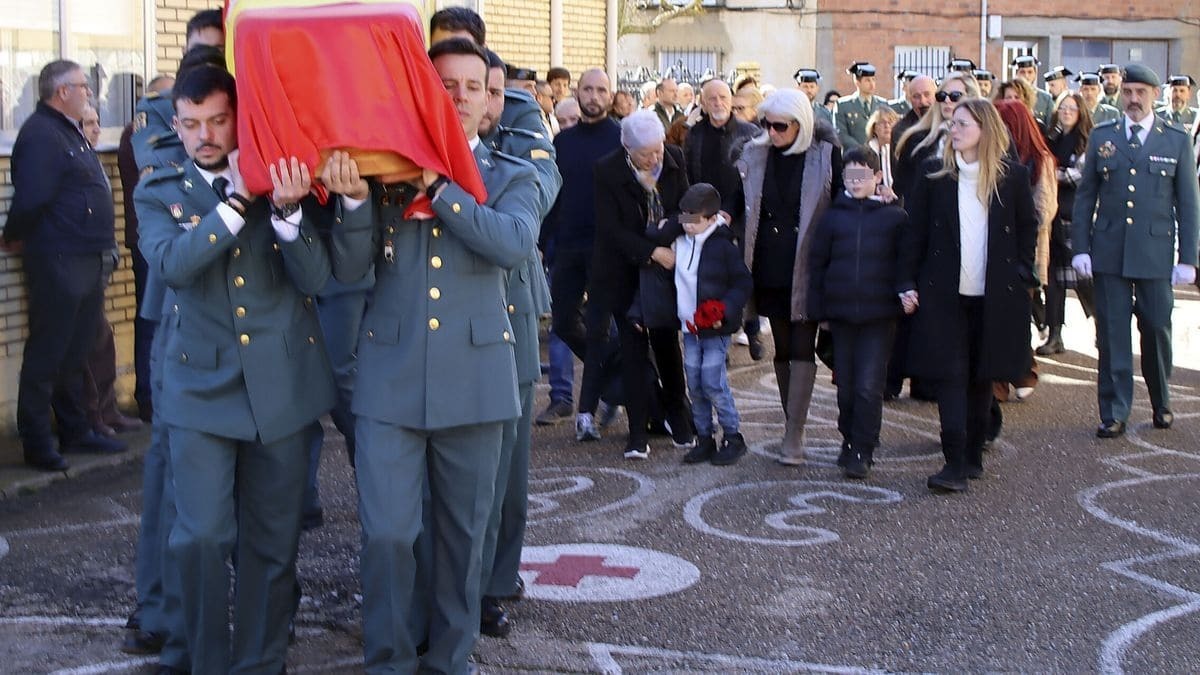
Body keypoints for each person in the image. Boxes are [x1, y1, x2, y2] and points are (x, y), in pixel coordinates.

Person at [332, 37, 539, 673]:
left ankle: (451, 659)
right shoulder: (383, 174)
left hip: (476, 382)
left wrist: (441, 186)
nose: (457, 97)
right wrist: (355, 201)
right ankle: (389, 658)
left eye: (471, 87)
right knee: (390, 533)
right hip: (390, 382)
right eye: (442, 84)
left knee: (463, 538)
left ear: (488, 102)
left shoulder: (511, 172)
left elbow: (512, 242)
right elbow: (346, 268)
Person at [134, 63, 338, 672]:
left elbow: (320, 278)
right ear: (176, 124)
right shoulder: (159, 190)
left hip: (281, 388)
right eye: (192, 123)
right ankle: (199, 655)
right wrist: (237, 201)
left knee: (271, 544)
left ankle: (260, 661)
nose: (205, 135)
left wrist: (288, 215)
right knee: (198, 537)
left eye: (219, 121)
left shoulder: (286, 180)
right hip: (200, 389)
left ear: (239, 119)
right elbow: (173, 265)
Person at [899, 98, 1038, 493]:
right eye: (952, 123)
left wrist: (1021, 273)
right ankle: (954, 461)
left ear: (985, 129)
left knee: (982, 378)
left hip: (994, 297)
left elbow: (1027, 227)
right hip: (945, 295)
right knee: (950, 376)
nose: (953, 129)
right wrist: (906, 282)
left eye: (962, 123)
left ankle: (973, 456)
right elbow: (915, 233)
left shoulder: (1011, 177)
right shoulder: (934, 174)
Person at [5, 59, 127, 472]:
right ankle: (38, 442)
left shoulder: (68, 132)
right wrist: (13, 236)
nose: (89, 93)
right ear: (62, 92)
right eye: (82, 86)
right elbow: (31, 199)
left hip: (87, 257)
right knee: (48, 353)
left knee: (76, 352)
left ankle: (76, 429)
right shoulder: (41, 134)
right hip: (59, 259)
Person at [478, 47, 561, 638]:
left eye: (489, 88)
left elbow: (542, 185)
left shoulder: (521, 115)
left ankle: (494, 578)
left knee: (507, 459)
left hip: (510, 297)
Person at [1070, 64, 1200, 438]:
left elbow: (1188, 204)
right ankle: (1114, 410)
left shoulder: (1174, 139)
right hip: (1109, 250)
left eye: (1141, 92)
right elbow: (1086, 196)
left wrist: (1188, 258)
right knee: (1112, 332)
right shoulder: (1104, 136)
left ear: (1155, 96)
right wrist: (1081, 247)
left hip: (1155, 252)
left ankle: (1161, 400)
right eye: (1128, 92)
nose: (1133, 99)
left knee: (1157, 327)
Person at [737, 89, 842, 465]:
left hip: (809, 265)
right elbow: (739, 204)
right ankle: (790, 424)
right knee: (783, 346)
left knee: (802, 345)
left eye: (781, 125)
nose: (773, 131)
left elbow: (841, 205)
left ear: (801, 124)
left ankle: (794, 435)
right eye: (767, 123)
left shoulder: (825, 155)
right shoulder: (754, 153)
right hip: (768, 264)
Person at [593, 109, 695, 458]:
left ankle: (679, 421)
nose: (656, 159)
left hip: (664, 273)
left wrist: (672, 235)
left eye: (659, 150)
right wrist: (652, 251)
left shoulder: (674, 159)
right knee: (633, 352)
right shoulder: (607, 170)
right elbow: (610, 230)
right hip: (626, 270)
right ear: (627, 148)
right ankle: (637, 434)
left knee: (668, 346)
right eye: (646, 154)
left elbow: (684, 207)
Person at [808, 146, 907, 479]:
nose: (855, 182)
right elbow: (817, 264)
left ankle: (864, 447)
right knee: (846, 385)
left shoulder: (894, 217)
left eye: (863, 175)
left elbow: (904, 262)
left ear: (877, 177)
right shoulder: (834, 217)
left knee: (868, 385)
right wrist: (818, 307)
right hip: (841, 315)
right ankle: (848, 439)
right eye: (850, 176)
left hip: (879, 316)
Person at [541, 68, 623, 438]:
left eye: (600, 90)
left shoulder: (622, 139)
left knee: (602, 327)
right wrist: (545, 240)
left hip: (608, 248)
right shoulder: (563, 142)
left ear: (611, 95)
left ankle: (598, 400)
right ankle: (611, 378)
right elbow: (552, 195)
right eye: (587, 89)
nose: (593, 96)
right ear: (577, 92)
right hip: (569, 245)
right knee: (562, 323)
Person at [646, 183, 752, 465]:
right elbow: (652, 234)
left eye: (694, 218)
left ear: (711, 218)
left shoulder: (723, 245)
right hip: (689, 325)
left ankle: (733, 435)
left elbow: (743, 282)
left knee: (712, 381)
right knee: (694, 381)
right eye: (684, 216)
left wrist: (725, 309)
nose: (688, 223)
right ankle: (704, 437)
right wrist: (669, 225)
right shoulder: (682, 235)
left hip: (715, 327)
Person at [683, 78, 762, 358]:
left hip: (738, 217)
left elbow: (752, 180)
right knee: (708, 281)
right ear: (702, 103)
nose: (718, 103)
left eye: (723, 98)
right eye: (712, 99)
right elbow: (689, 177)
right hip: (704, 219)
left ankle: (752, 331)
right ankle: (718, 340)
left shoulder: (749, 132)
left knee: (742, 277)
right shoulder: (694, 134)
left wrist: (730, 210)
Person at [78, 103, 144, 438]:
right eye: (89, 123)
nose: (96, 129)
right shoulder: (72, 158)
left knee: (102, 342)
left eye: (97, 122)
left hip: (99, 262)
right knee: (91, 343)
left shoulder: (89, 157)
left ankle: (107, 411)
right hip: (79, 267)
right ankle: (96, 416)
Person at [993, 99, 1057, 403]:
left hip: (1027, 253)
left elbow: (1045, 209)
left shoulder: (1039, 159)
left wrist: (1012, 220)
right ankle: (1008, 378)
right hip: (999, 252)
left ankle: (1021, 373)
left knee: (1017, 317)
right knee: (1002, 317)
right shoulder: (996, 157)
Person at [1040, 91, 1095, 355]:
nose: (1066, 112)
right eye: (1063, 107)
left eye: (1072, 108)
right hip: (1052, 216)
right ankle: (1055, 334)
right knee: (1053, 280)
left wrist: (1051, 174)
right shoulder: (1051, 138)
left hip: (1075, 216)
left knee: (1084, 278)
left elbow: (1079, 176)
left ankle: (1102, 325)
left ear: (1080, 112)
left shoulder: (1086, 141)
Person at [837, 62, 889, 149]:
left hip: (877, 155)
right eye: (867, 80)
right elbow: (841, 134)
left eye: (873, 79)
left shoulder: (882, 104)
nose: (872, 84)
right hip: (853, 156)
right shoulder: (843, 105)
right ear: (857, 82)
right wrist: (861, 149)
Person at [1011, 55, 1055, 129]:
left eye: (1030, 72)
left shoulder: (1046, 99)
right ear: (1016, 74)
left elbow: (1050, 127)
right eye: (1022, 72)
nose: (1026, 76)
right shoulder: (1009, 96)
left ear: (1035, 74)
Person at [865, 107, 899, 200]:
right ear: (874, 128)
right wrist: (877, 187)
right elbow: (850, 175)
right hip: (870, 203)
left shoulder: (900, 152)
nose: (887, 126)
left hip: (898, 202)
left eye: (890, 122)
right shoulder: (863, 153)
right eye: (882, 122)